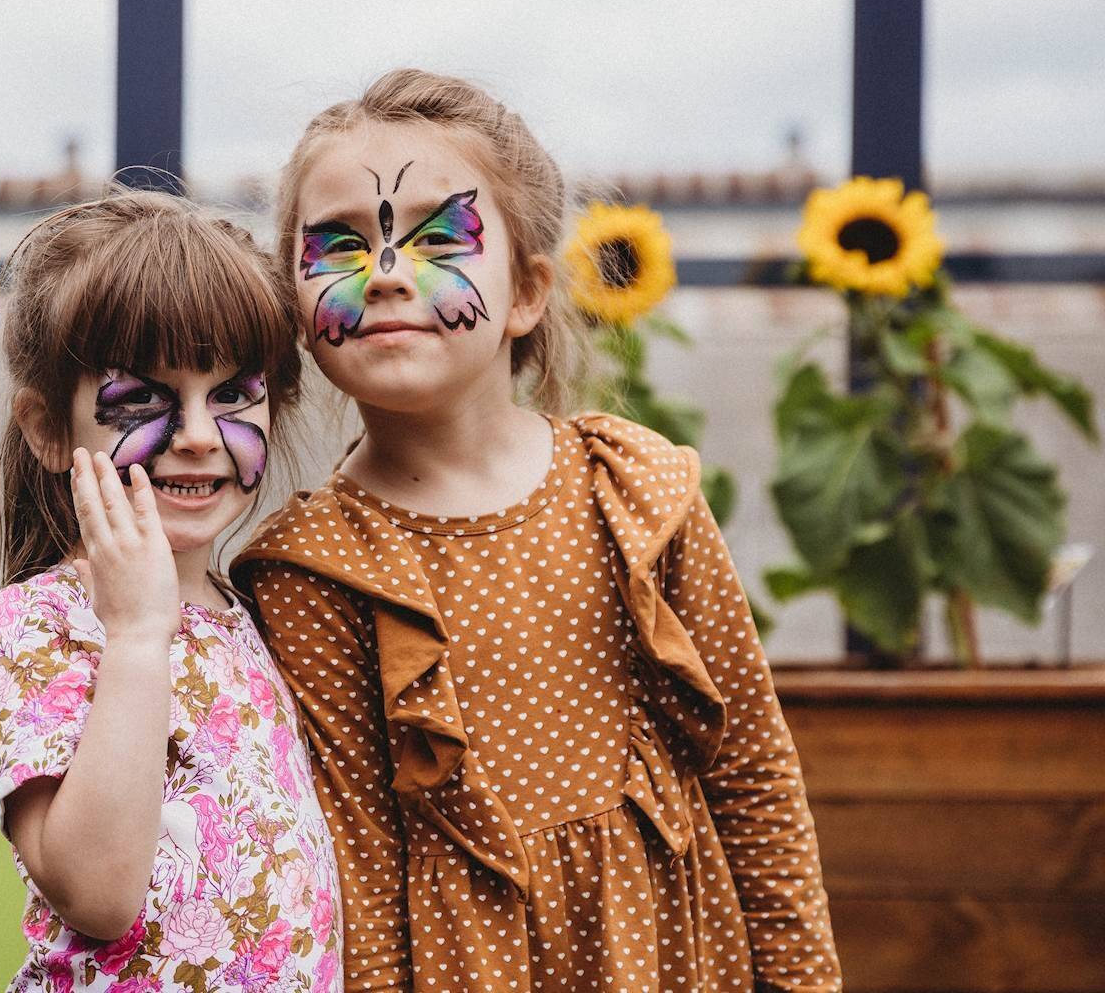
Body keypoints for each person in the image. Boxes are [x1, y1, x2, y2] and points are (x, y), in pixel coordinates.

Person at [233, 69, 842, 991]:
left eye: (439, 237)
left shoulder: (637, 494)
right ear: (296, 304)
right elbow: (356, 879)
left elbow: (751, 773)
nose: (386, 272)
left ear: (526, 292)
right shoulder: (311, 571)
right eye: (341, 244)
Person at [0, 189, 343, 992]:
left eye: (233, 393)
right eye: (141, 398)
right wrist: (138, 633)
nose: (199, 435)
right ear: (48, 429)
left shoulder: (255, 616)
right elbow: (98, 894)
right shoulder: (37, 624)